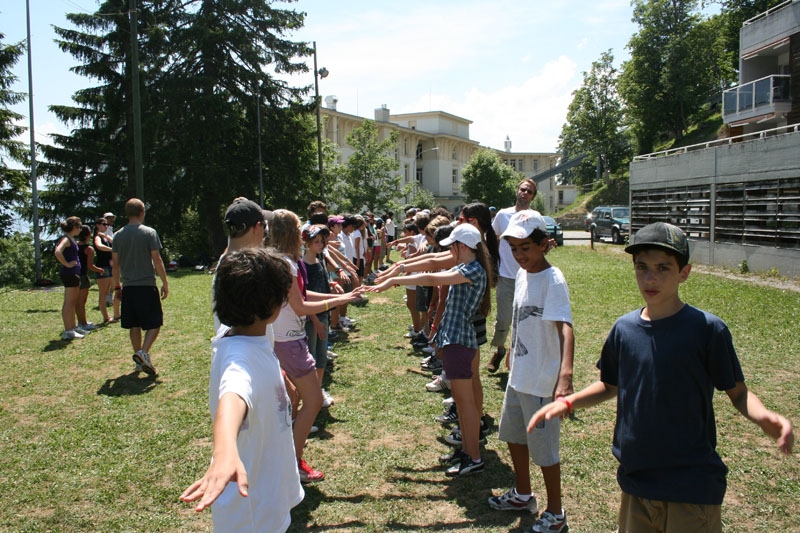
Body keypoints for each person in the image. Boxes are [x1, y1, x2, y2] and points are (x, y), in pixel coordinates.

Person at [528, 222, 794, 533]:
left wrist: (763, 417)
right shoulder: (624, 329)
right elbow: (610, 385)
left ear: (685, 272)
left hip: (690, 486)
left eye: (663, 268)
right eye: (642, 267)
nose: (650, 278)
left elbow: (737, 393)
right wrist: (569, 403)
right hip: (636, 482)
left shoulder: (707, 330)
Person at [180, 248, 303, 532]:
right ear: (272, 304)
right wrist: (224, 452)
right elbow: (232, 398)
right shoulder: (239, 360)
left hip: (268, 490)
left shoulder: (248, 333)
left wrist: (280, 377)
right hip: (252, 511)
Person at [368, 223, 491, 477]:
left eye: (453, 247)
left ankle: (473, 456)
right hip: (457, 340)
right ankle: (468, 452)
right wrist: (399, 270)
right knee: (462, 401)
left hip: (459, 341)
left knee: (465, 403)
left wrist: (394, 279)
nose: (450, 251)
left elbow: (432, 277)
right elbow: (433, 264)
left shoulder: (472, 270)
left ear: (462, 247)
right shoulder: (467, 266)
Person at [487, 210, 573, 533]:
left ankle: (556, 512)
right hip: (519, 376)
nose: (520, 255)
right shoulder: (523, 275)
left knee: (545, 451)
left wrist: (564, 376)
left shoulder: (553, 280)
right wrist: (512, 348)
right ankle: (523, 493)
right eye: (514, 249)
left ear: (544, 245)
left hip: (541, 381)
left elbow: (566, 328)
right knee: (513, 436)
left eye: (526, 248)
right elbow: (522, 315)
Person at [269, 209, 364, 483]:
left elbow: (299, 295)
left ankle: (285, 457)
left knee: (294, 400)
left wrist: (343, 296)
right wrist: (335, 302)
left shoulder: (279, 261)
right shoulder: (286, 264)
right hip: (289, 341)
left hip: (279, 340)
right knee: (312, 402)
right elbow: (299, 306)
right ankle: (293, 463)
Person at [111, 198, 169, 376]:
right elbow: (157, 259)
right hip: (146, 285)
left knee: (134, 324)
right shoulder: (149, 233)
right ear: (142, 212)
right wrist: (164, 281)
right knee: (155, 322)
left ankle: (139, 359)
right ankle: (143, 353)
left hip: (128, 286)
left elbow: (115, 264)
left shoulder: (118, 235)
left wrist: (116, 286)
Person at [488, 178, 539, 372]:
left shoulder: (535, 217)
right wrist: (493, 264)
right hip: (506, 276)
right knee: (504, 319)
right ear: (517, 191)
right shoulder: (503, 215)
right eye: (523, 189)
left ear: (533, 197)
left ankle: (513, 352)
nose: (525, 193)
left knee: (523, 319)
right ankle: (500, 350)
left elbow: (538, 245)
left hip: (528, 276)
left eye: (530, 192)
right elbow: (492, 238)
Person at [54, 216, 85, 340]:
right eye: (80, 226)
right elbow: (57, 251)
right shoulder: (66, 239)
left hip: (74, 273)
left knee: (73, 302)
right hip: (69, 273)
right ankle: (68, 331)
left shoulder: (71, 239)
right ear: (74, 227)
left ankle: (73, 327)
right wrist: (67, 264)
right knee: (69, 302)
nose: (81, 229)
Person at [76, 225, 103, 331]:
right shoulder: (89, 249)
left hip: (74, 275)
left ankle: (80, 322)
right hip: (82, 276)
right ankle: (84, 323)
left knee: (76, 303)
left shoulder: (74, 246)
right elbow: (90, 266)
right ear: (88, 235)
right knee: (82, 303)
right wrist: (100, 270)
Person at [93, 217, 120, 323]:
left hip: (111, 266)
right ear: (97, 225)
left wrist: (107, 237)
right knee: (103, 293)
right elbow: (99, 246)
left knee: (115, 288)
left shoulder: (105, 236)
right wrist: (111, 249)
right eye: (104, 224)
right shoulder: (97, 237)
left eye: (107, 224)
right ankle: (106, 317)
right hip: (102, 267)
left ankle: (116, 314)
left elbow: (114, 243)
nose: (106, 226)